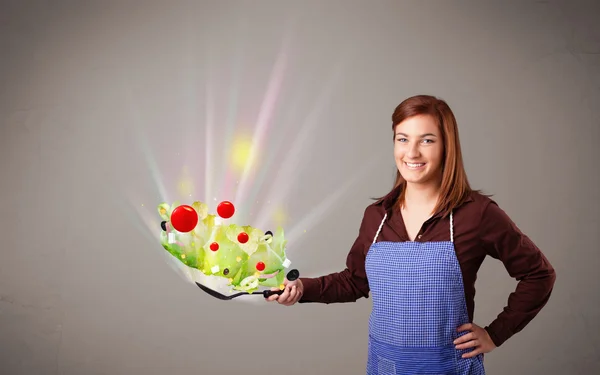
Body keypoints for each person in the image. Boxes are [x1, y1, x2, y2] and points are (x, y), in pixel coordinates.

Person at [265, 94, 557, 374]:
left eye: (427, 141)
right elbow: (354, 281)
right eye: (403, 139)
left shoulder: (476, 213)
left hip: (448, 368)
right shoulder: (377, 216)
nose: (412, 153)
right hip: (385, 368)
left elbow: (539, 274)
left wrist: (495, 334)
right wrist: (303, 288)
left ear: (446, 146)